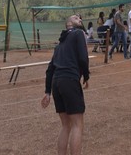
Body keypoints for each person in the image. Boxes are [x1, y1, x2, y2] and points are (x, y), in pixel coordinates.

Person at [41, 14, 89, 155]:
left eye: (80, 19)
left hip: (57, 83)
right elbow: (83, 58)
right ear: (68, 23)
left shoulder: (60, 45)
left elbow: (50, 69)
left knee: (65, 125)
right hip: (69, 80)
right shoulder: (78, 33)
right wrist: (86, 76)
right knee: (77, 125)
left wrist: (48, 92)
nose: (79, 19)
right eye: (75, 18)